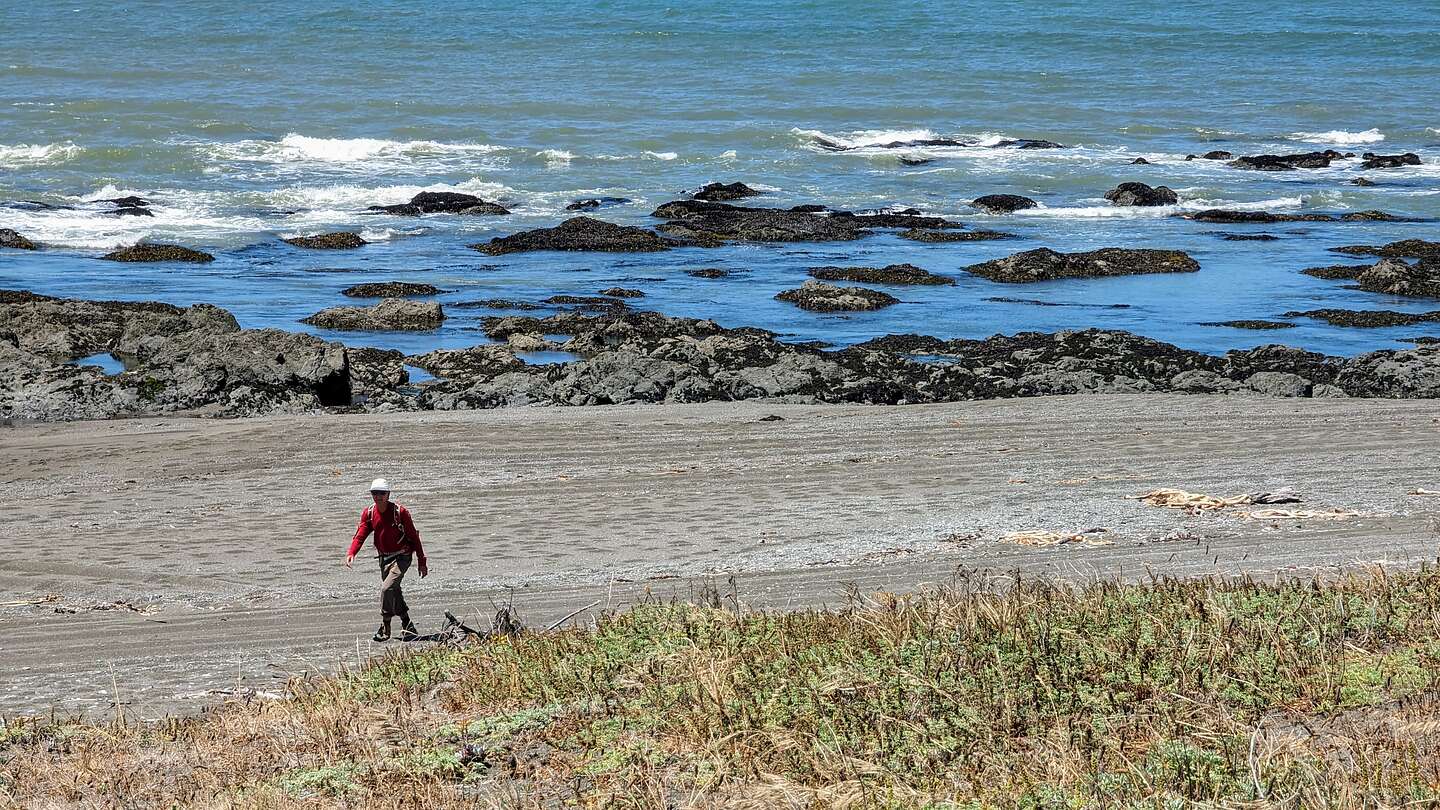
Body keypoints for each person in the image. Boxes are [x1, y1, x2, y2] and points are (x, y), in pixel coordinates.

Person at [346, 478, 428, 641]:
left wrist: (422, 561)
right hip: (384, 559)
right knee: (394, 590)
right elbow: (361, 534)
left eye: (382, 493)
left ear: (388, 494)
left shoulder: (400, 512)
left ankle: (385, 626)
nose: (378, 496)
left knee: (386, 589)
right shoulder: (369, 513)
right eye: (374, 493)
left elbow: (414, 537)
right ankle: (407, 625)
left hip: (402, 557)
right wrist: (352, 552)